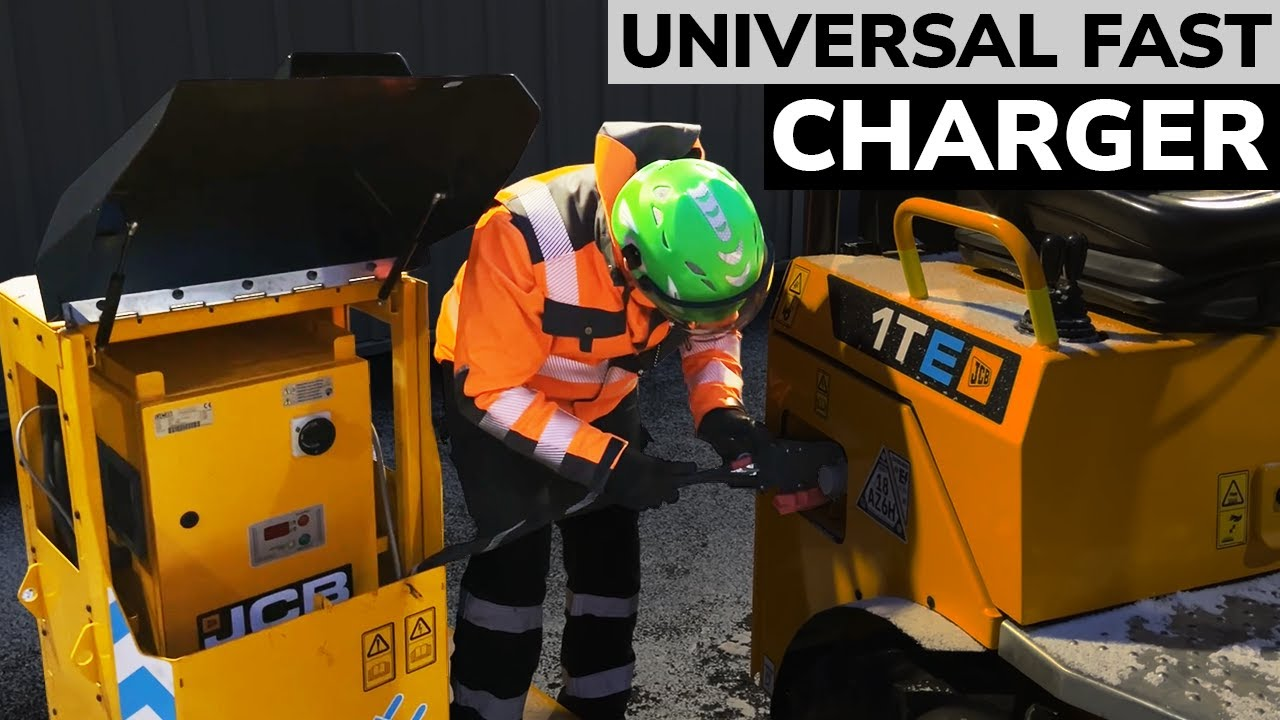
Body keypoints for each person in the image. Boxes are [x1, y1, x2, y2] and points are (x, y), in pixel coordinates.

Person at [432, 121, 776, 720]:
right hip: (495, 394)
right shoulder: (521, 235)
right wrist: (611, 463)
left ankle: (598, 707)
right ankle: (485, 710)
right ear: (629, 259)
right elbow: (491, 393)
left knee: (610, 562)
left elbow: (710, 327)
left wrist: (722, 412)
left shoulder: (699, 227)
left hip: (602, 394)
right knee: (513, 568)